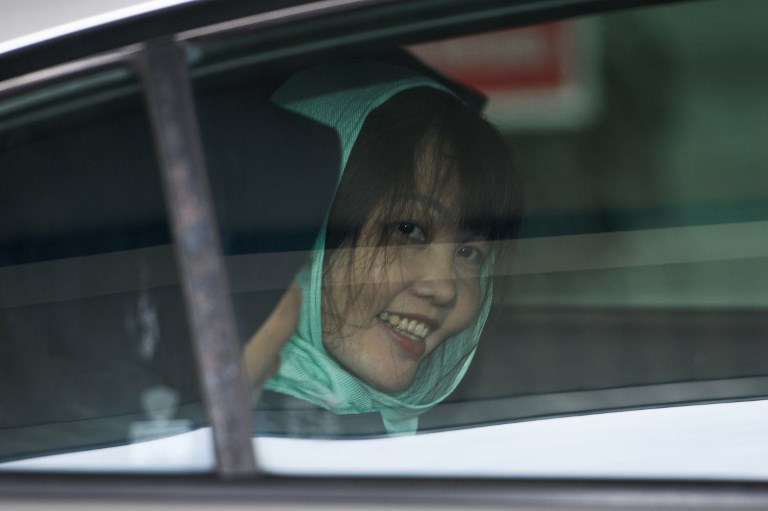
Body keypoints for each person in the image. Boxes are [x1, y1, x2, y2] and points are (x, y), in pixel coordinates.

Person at [244, 59, 522, 435]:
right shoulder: (222, 442)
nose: (444, 288)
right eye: (408, 229)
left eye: (470, 253)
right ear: (303, 229)